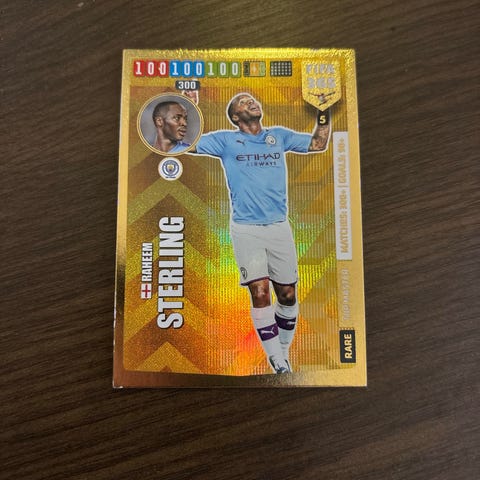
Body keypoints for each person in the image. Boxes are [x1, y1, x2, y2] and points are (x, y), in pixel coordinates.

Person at [193, 92, 331, 374]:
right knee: (259, 291)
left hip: (279, 227)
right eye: (243, 102)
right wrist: (190, 109)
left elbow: (318, 144)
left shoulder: (278, 136)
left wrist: (324, 113)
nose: (252, 102)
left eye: (252, 100)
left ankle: (283, 351)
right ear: (235, 116)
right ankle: (277, 360)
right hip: (246, 229)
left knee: (287, 294)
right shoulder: (225, 140)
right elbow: (184, 144)